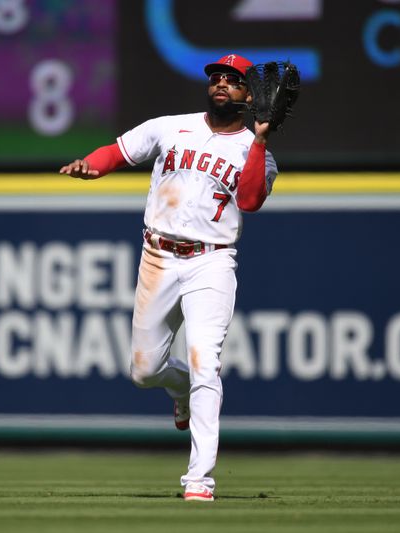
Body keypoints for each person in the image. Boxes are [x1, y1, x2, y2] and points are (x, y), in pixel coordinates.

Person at [59, 54, 278, 502]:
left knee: (205, 363)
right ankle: (177, 391)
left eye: (234, 81)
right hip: (158, 255)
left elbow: (252, 200)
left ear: (251, 96)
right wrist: (91, 165)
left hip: (211, 262)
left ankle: (199, 480)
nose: (221, 84)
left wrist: (258, 141)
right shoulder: (170, 126)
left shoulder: (259, 155)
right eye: (216, 77)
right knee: (143, 370)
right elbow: (119, 152)